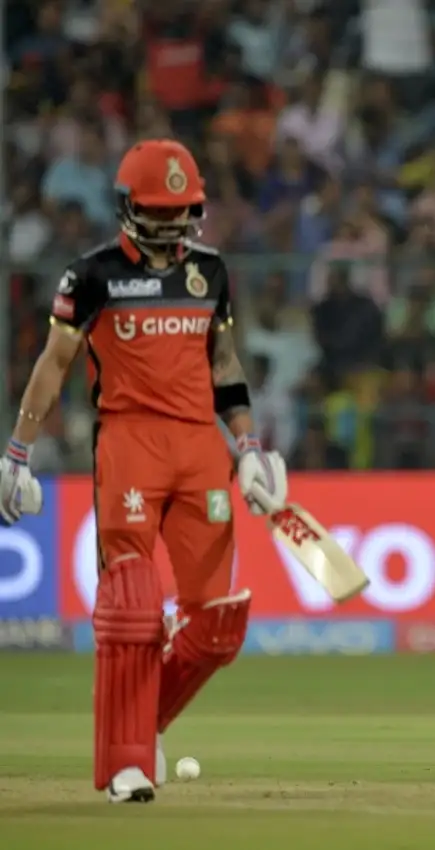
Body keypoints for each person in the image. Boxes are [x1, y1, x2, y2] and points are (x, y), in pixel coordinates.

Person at [0, 139, 290, 803]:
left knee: (216, 623)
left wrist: (248, 446)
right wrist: (18, 451)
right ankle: (124, 764)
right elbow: (54, 363)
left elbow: (224, 366)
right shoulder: (90, 275)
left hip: (199, 449)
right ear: (129, 208)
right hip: (130, 444)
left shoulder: (210, 273)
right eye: (160, 213)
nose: (172, 226)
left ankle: (142, 723)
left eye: (182, 212)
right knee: (133, 606)